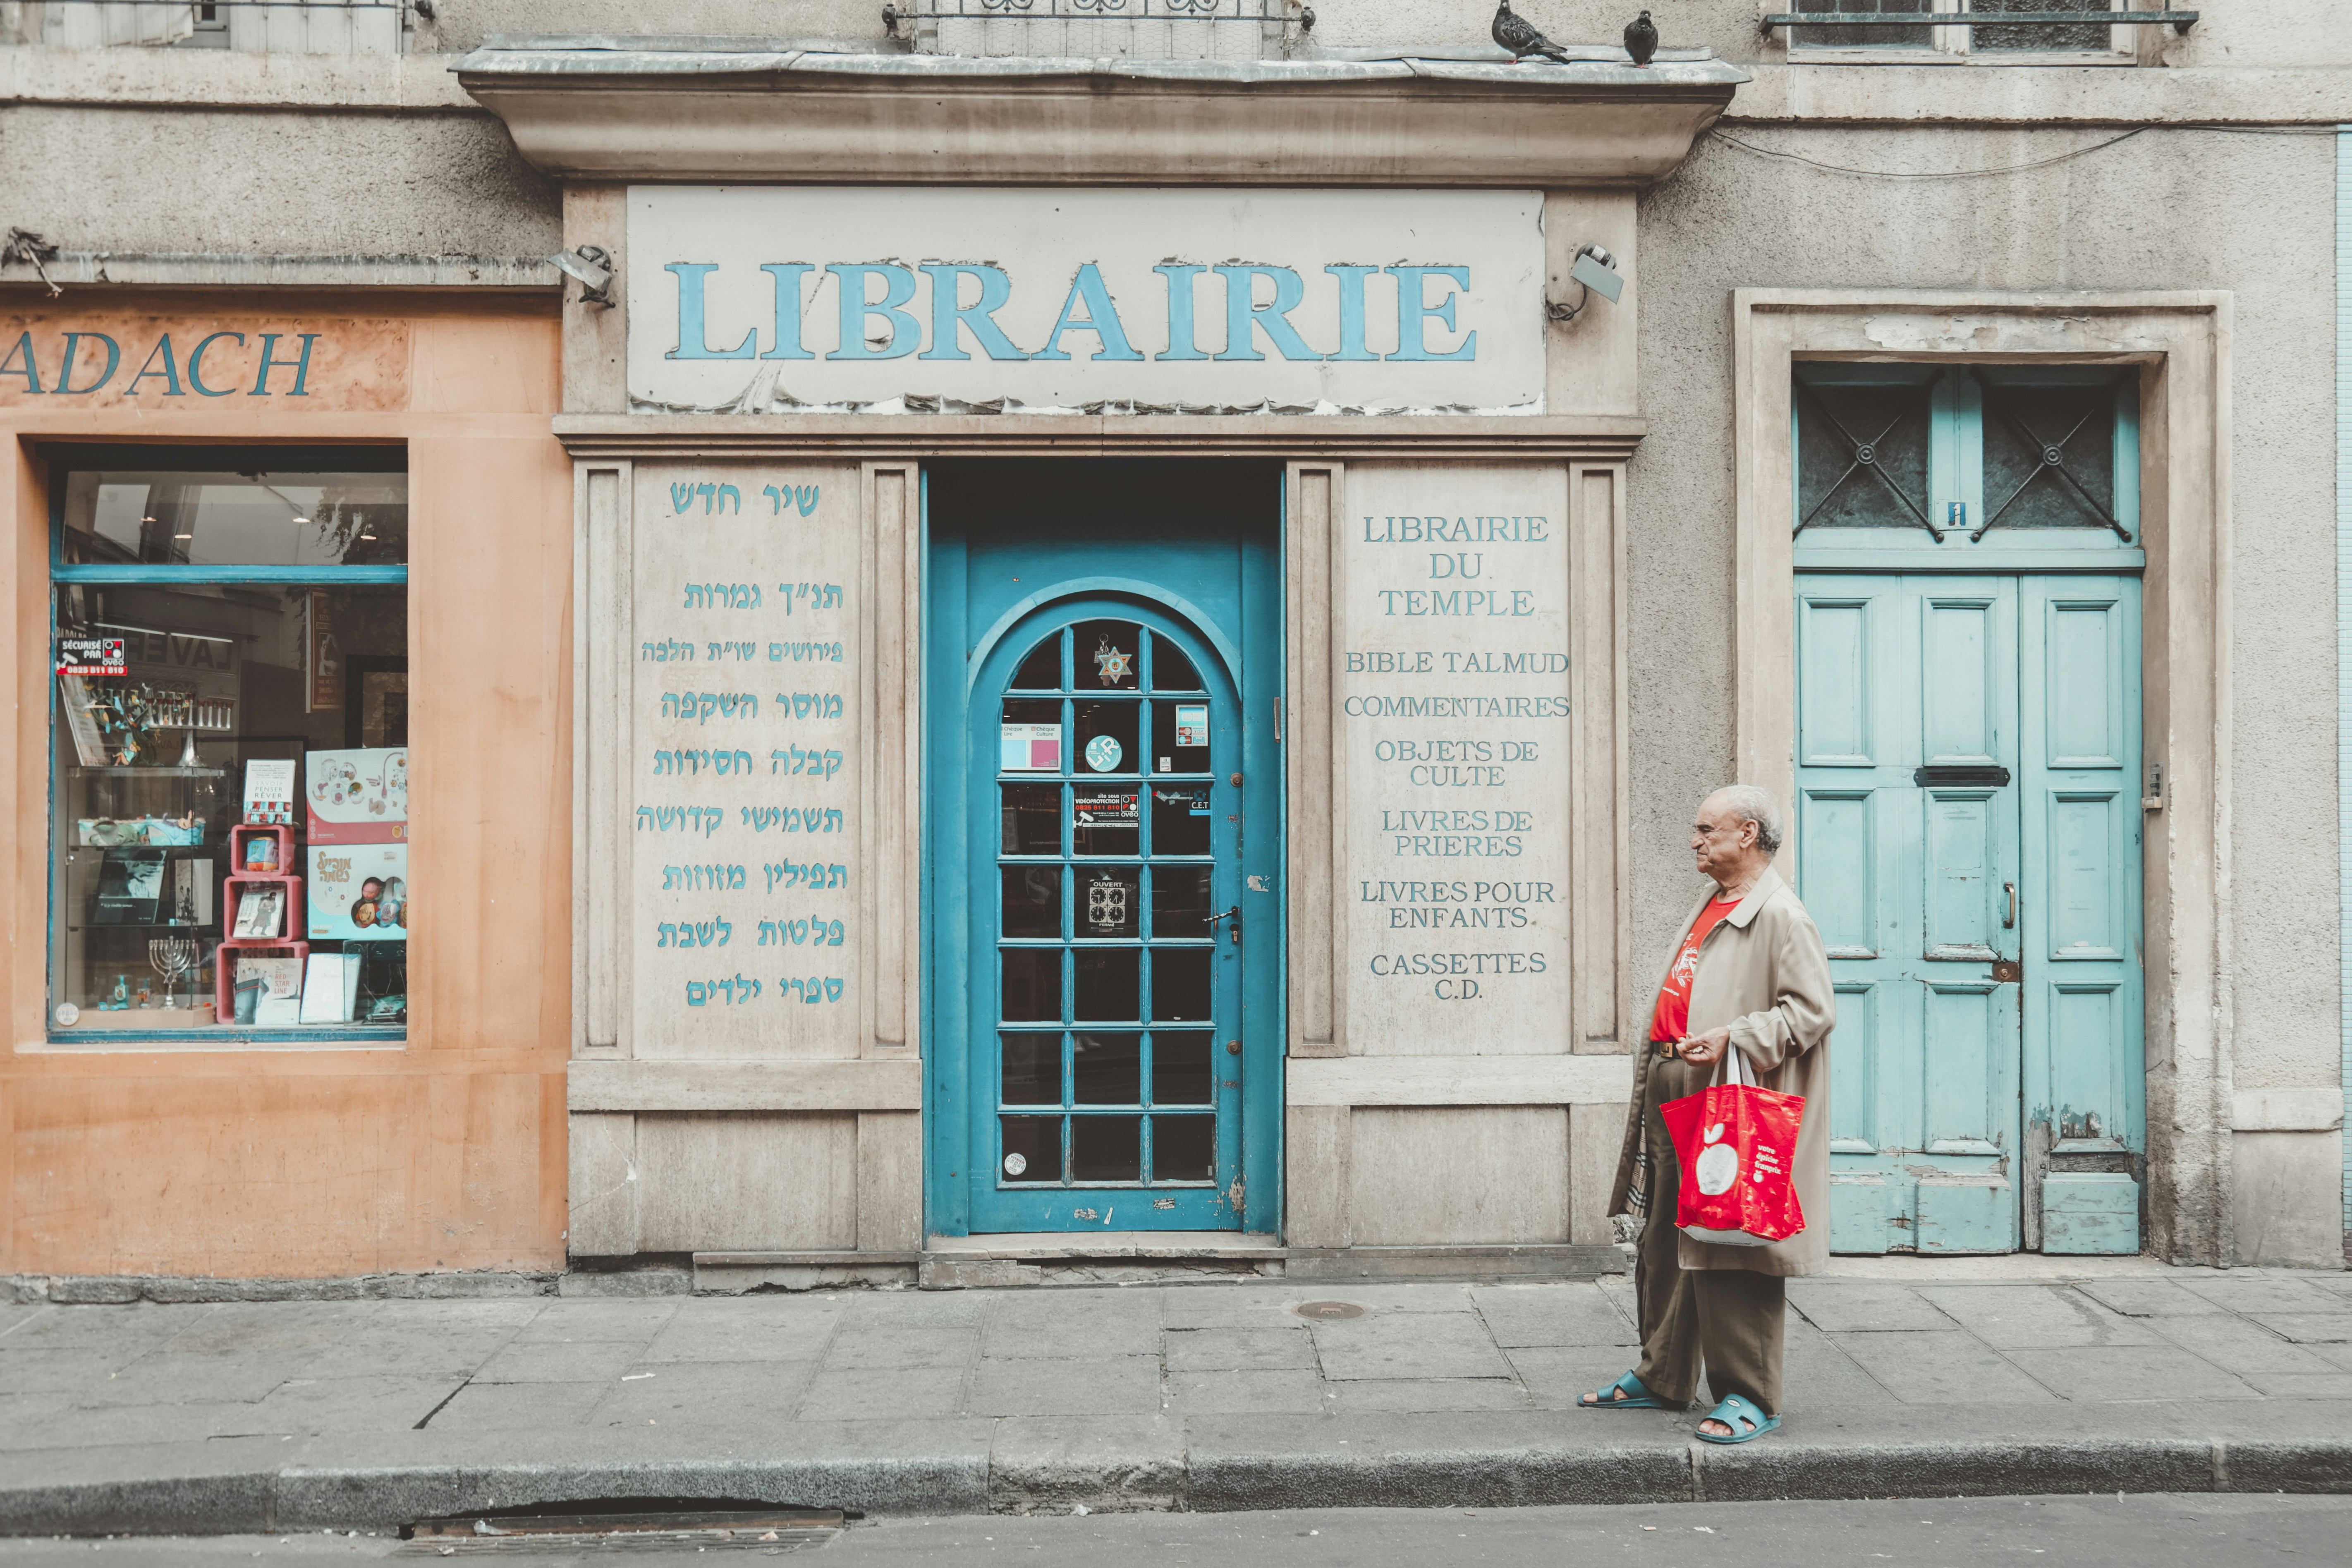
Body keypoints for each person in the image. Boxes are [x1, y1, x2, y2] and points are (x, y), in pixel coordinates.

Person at [1581, 785, 1833, 1444]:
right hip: (1677, 1081)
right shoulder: (1718, 899)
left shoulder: (1782, 914)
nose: (1694, 840)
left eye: (1706, 829)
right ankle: (1662, 1372)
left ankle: (1750, 1395)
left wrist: (1733, 1037)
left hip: (1728, 1094)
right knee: (1667, 1238)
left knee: (1730, 1243)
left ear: (1747, 834)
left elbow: (1811, 1013)